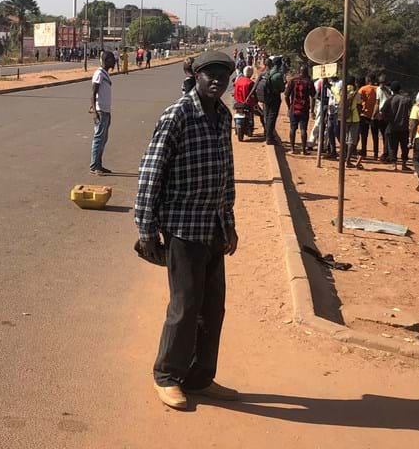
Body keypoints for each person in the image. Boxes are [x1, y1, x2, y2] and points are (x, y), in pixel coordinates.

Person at [135, 50, 240, 411]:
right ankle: (167, 376)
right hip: (182, 228)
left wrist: (230, 224)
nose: (217, 82)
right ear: (195, 76)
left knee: (213, 308)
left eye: (223, 76)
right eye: (210, 75)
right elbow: (151, 173)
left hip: (213, 227)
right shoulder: (177, 115)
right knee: (184, 306)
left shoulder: (222, 116)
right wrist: (146, 229)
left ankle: (199, 378)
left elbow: (226, 172)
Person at [89, 52, 116, 176]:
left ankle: (99, 164)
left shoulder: (105, 74)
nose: (114, 62)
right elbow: (93, 93)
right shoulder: (99, 73)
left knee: (103, 139)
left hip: (106, 111)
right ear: (107, 60)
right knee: (98, 138)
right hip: (100, 111)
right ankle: (94, 166)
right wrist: (94, 111)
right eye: (112, 60)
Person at [380, 81, 412, 171]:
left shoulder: (390, 100)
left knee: (392, 146)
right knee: (404, 146)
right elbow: (411, 111)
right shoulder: (406, 99)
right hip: (404, 127)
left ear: (392, 89)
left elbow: (383, 112)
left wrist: (388, 120)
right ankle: (404, 164)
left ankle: (394, 165)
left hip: (392, 126)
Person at [284, 65, 316, 155]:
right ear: (307, 72)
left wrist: (289, 107)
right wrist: (312, 110)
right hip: (304, 109)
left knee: (292, 129)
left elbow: (286, 96)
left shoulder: (292, 81)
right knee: (303, 129)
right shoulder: (309, 82)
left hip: (293, 108)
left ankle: (292, 149)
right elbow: (313, 97)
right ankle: (303, 150)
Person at [333, 75, 360, 167]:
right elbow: (359, 105)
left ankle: (342, 158)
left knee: (343, 138)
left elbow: (337, 100)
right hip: (354, 118)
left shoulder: (341, 92)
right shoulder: (356, 93)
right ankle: (348, 160)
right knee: (351, 140)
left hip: (342, 118)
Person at [263, 57, 286, 145]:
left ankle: (268, 135)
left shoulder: (268, 73)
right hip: (275, 97)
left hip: (267, 97)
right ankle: (269, 137)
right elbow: (282, 89)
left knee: (268, 116)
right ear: (279, 64)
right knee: (272, 117)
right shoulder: (278, 75)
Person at [357, 75, 378, 162]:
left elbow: (359, 100)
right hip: (375, 115)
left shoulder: (363, 89)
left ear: (367, 80)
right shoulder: (378, 89)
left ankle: (364, 152)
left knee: (364, 135)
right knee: (375, 135)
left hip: (364, 114)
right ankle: (376, 154)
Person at [372, 75, 393, 161]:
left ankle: (384, 154)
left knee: (383, 134)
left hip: (381, 114)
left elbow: (377, 103)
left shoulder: (378, 90)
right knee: (386, 135)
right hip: (388, 114)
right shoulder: (390, 90)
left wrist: (373, 115)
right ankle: (387, 153)